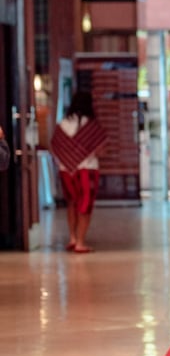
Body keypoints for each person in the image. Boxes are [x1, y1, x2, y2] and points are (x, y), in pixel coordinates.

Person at [50, 91, 106, 253]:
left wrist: (69, 158)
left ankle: (73, 238)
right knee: (85, 205)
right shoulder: (93, 126)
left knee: (71, 203)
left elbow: (54, 147)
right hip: (87, 169)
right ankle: (81, 242)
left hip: (66, 171)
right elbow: (101, 150)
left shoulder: (62, 124)